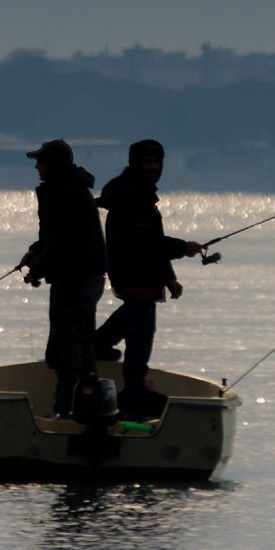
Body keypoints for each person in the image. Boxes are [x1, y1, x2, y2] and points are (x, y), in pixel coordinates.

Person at [94, 139, 203, 416]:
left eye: (156, 162)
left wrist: (168, 277)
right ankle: (133, 392)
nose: (153, 167)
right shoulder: (135, 197)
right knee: (140, 338)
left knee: (130, 316)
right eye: (147, 162)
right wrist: (184, 248)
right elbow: (149, 244)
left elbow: (150, 241)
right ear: (135, 164)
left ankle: (95, 347)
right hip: (135, 275)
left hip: (137, 275)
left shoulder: (138, 193)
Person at [20, 138, 108, 422]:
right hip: (82, 277)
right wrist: (34, 254)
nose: (36, 167)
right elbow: (53, 237)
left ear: (54, 165)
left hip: (75, 279)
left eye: (41, 162)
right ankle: (84, 404)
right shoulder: (67, 190)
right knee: (79, 340)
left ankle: (68, 410)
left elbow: (62, 244)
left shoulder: (65, 194)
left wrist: (38, 269)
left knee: (67, 343)